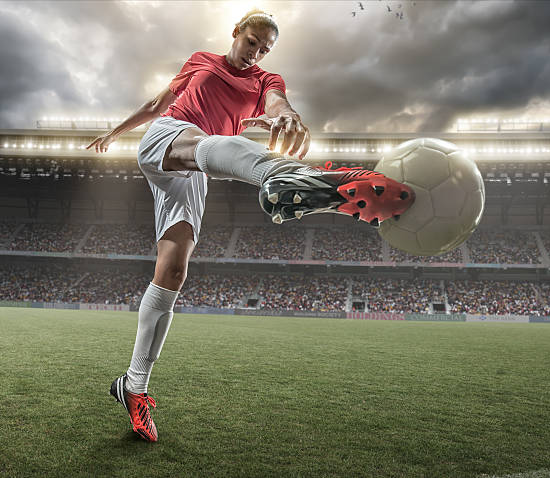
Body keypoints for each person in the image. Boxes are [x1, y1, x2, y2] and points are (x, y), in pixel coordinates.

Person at [87, 9, 414, 442]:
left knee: (173, 272)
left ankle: (133, 386)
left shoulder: (265, 81)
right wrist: (114, 133)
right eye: (252, 42)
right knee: (217, 142)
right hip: (169, 138)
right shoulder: (201, 60)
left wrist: (284, 114)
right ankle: (285, 175)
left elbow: (279, 102)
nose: (255, 54)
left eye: (264, 49)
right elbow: (156, 105)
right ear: (236, 32)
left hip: (197, 170)